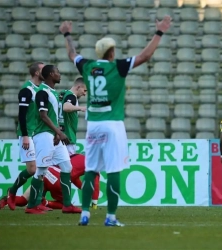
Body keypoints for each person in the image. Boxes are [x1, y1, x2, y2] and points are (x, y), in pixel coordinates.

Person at [59, 15, 172, 226]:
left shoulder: (87, 66)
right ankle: (110, 217)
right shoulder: (118, 67)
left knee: (91, 169)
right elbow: (145, 56)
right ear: (111, 52)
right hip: (113, 124)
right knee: (113, 170)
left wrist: (67, 34)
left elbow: (71, 53)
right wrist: (159, 31)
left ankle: (85, 214)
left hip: (93, 124)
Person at [26, 64, 81, 214]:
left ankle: (67, 205)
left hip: (53, 135)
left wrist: (57, 134)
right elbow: (43, 116)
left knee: (67, 167)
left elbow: (53, 117)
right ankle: (32, 206)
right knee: (42, 169)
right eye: (57, 71)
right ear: (50, 74)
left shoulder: (53, 93)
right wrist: (59, 132)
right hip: (43, 135)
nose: (59, 73)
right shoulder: (42, 92)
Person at [0, 154, 100, 210]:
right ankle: (45, 202)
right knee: (66, 204)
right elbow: (95, 184)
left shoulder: (77, 157)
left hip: (45, 172)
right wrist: (94, 204)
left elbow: (74, 178)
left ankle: (6, 200)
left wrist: (82, 187)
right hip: (57, 179)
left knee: (23, 200)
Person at [7, 62, 45, 210]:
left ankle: (37, 203)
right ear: (36, 73)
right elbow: (21, 115)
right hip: (28, 133)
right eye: (43, 69)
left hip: (39, 133)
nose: (46, 71)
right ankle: (12, 190)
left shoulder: (41, 89)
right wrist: (24, 136)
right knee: (32, 169)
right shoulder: (27, 90)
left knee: (42, 167)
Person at [58, 77, 87, 156]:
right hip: (68, 137)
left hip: (58, 135)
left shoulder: (62, 94)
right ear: (78, 87)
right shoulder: (72, 97)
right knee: (68, 166)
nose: (85, 94)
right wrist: (81, 108)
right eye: (84, 90)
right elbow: (66, 107)